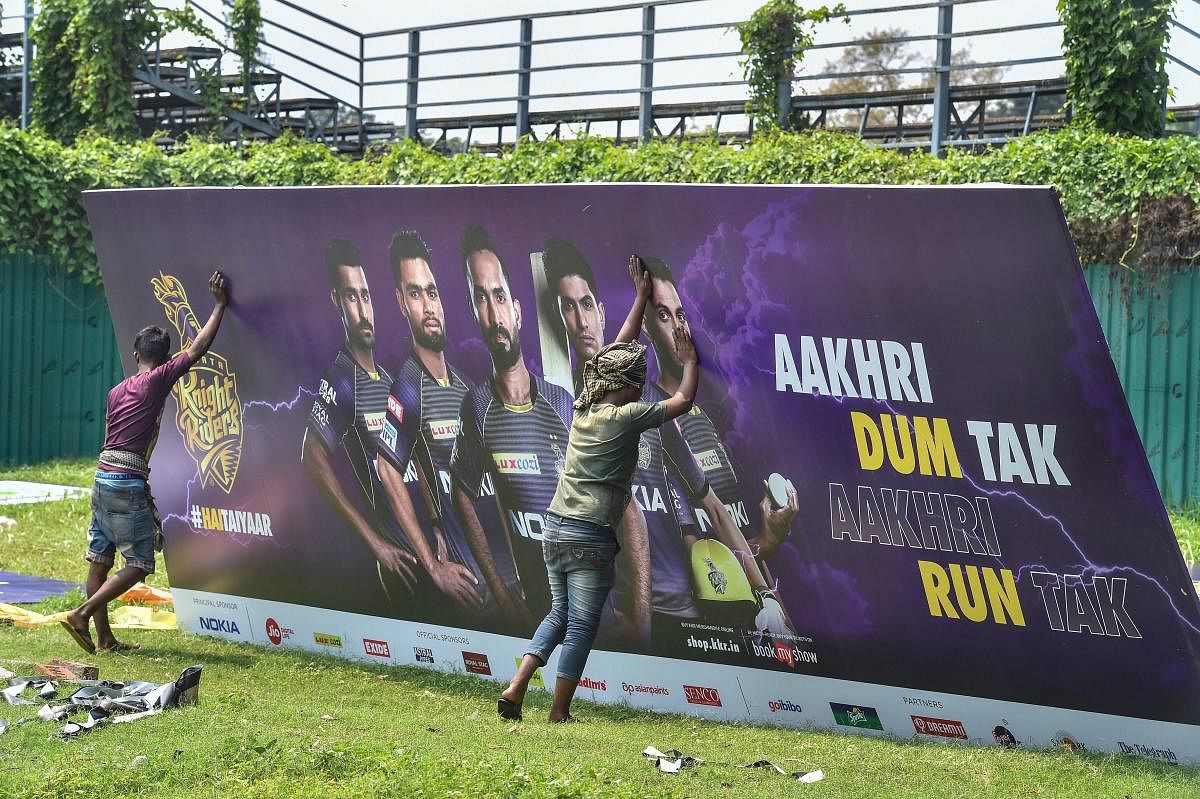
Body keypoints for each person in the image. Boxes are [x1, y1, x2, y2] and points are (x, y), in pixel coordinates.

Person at [545, 240, 792, 655]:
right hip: (621, 618)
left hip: (688, 615)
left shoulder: (656, 415)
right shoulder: (568, 408)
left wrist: (765, 593)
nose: (677, 329)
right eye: (661, 315)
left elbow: (710, 510)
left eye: (680, 315)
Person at [498, 255, 697, 723]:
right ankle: (558, 713)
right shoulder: (628, 417)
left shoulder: (587, 402)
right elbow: (683, 400)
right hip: (588, 537)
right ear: (630, 388)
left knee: (557, 615)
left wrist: (641, 298)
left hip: (555, 529)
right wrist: (689, 361)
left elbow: (617, 352)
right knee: (582, 625)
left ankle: (515, 686)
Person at [450, 227, 652, 641]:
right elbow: (462, 494)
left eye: (500, 296)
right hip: (541, 628)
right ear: (473, 313)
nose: (494, 312)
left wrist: (643, 620)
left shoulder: (564, 404)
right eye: (481, 299)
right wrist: (506, 601)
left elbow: (627, 507)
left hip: (602, 619)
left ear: (518, 310)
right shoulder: (477, 409)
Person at [62, 271, 229, 654]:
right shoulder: (157, 380)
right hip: (125, 482)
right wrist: (219, 305)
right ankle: (81, 614)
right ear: (164, 359)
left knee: (99, 560)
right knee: (138, 563)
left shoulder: (115, 391)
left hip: (102, 478)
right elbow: (199, 346)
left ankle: (104, 640)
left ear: (136, 355)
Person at [302, 238, 420, 611]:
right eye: (352, 297)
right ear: (337, 301)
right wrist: (376, 544)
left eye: (366, 296)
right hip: (395, 558)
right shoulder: (340, 379)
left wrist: (436, 527)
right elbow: (312, 457)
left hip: (424, 546)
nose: (363, 309)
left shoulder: (389, 378)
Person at [374, 230, 485, 617]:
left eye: (432, 292)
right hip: (469, 582)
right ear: (401, 303)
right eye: (416, 294)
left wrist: (436, 522)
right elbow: (387, 468)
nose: (429, 305)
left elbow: (435, 464)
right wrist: (432, 565)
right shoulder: (407, 388)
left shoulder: (467, 386)